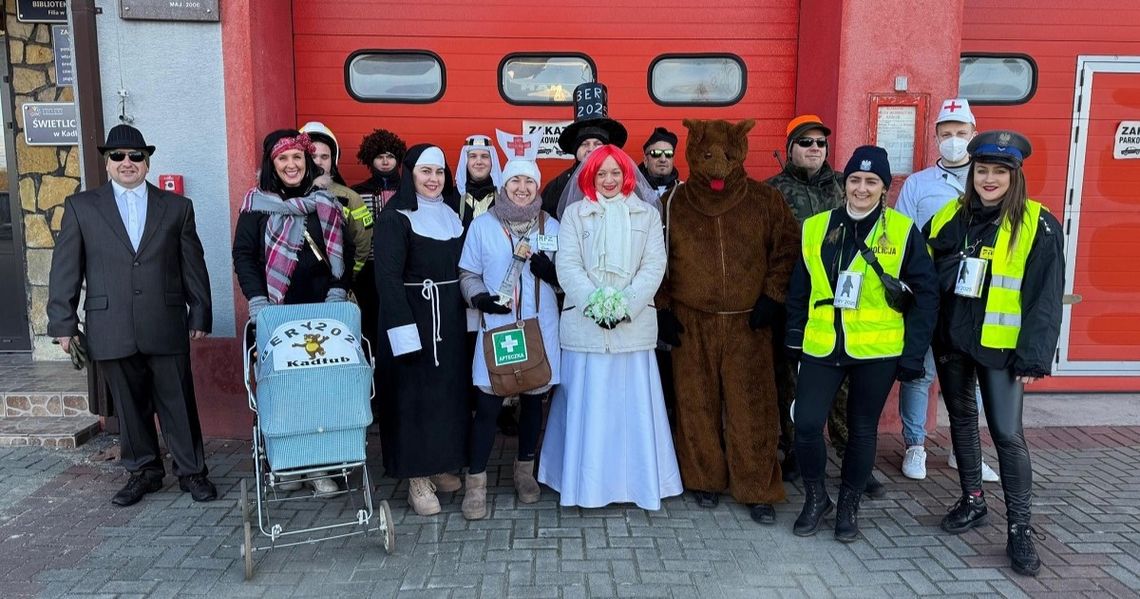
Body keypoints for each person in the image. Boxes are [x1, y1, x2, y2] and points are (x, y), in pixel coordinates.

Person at [47, 124, 216, 506]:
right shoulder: (82, 207)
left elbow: (193, 263)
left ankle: (192, 472)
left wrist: (200, 312)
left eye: (135, 156)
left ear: (147, 161)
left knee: (178, 402)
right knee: (128, 406)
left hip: (165, 321)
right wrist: (63, 324)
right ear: (107, 163)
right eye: (118, 156)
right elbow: (65, 269)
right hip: (111, 325)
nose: (127, 162)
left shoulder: (176, 208)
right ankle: (144, 472)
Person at [925, 130, 1063, 577]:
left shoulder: (1038, 223)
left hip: (1001, 346)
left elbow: (1045, 296)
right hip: (953, 339)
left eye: (998, 172)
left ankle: (1020, 528)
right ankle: (972, 500)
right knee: (961, 421)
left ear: (1014, 176)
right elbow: (924, 269)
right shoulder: (951, 214)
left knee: (1007, 434)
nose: (988, 179)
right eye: (982, 170)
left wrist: (1034, 356)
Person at [784, 146, 938, 542]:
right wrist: (794, 336)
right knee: (806, 424)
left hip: (877, 349)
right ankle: (817, 498)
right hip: (822, 344)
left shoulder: (902, 231)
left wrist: (913, 354)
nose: (861, 188)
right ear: (844, 183)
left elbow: (926, 294)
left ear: (884, 188)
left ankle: (849, 505)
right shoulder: (817, 226)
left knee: (861, 429)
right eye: (855, 179)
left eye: (871, 182)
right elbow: (800, 287)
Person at [658, 119, 800, 523]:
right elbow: (657, 258)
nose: (718, 164)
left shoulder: (765, 200)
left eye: (727, 155)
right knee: (695, 405)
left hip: (748, 322)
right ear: (692, 153)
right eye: (707, 155)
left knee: (752, 405)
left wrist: (773, 297)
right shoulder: (673, 203)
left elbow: (787, 249)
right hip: (692, 319)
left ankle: (757, 486)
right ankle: (704, 479)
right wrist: (665, 307)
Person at [538, 145, 682, 510]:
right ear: (590, 177)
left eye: (615, 172)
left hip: (631, 330)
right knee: (587, 407)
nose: (608, 180)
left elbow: (654, 266)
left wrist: (624, 306)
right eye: (600, 173)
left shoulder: (647, 215)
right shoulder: (574, 214)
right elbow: (567, 266)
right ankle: (585, 486)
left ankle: (636, 485)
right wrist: (596, 305)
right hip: (586, 329)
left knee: (632, 410)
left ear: (626, 174)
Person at [766, 115, 884, 499]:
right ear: (790, 149)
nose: (814, 149)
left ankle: (851, 459)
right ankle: (796, 453)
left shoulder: (845, 188)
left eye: (820, 143)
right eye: (805, 143)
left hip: (846, 312)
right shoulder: (771, 192)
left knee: (845, 390)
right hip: (792, 306)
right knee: (791, 385)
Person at [232, 129, 355, 495]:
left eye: (297, 159)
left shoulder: (325, 202)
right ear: (273, 164)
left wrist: (338, 289)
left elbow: (345, 252)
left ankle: (321, 466)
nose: (291, 165)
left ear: (307, 162)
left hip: (323, 311)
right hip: (275, 312)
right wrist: (257, 301)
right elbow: (244, 256)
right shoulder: (256, 204)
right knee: (283, 390)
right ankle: (286, 463)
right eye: (283, 159)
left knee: (320, 389)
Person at [894, 99, 998, 483]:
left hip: (973, 299)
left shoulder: (989, 178)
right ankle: (915, 446)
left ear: (974, 132)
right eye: (946, 133)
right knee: (919, 373)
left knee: (968, 375)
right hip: (928, 295)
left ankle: (963, 449)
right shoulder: (919, 184)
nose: (954, 140)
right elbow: (902, 236)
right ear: (936, 137)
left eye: (960, 132)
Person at [458, 157, 560, 519]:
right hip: (497, 328)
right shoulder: (483, 226)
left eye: (529, 182)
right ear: (504, 186)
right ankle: (476, 484)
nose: (522, 188)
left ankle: (525, 472)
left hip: (540, 327)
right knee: (487, 406)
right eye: (515, 181)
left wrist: (553, 272)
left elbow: (570, 275)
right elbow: (467, 272)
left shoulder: (552, 225)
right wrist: (479, 297)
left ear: (537, 186)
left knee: (534, 402)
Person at [373, 144, 471, 516]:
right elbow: (387, 278)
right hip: (413, 315)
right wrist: (404, 333)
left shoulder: (450, 214)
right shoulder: (395, 217)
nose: (434, 180)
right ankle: (417, 479)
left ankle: (442, 462)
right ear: (410, 174)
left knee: (447, 394)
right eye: (426, 172)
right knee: (414, 398)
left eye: (440, 173)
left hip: (448, 317)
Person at [351, 128, 407, 356]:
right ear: (369, 158)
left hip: (403, 269)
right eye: (379, 156)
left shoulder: (408, 191)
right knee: (370, 321)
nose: (385, 162)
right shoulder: (356, 193)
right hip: (368, 270)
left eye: (390, 156)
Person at [541, 82, 628, 218]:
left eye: (597, 144)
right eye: (584, 144)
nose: (591, 149)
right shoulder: (557, 186)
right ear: (575, 150)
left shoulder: (623, 180)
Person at [299, 121, 373, 277]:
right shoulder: (285, 196)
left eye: (324, 156)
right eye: (312, 156)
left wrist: (347, 277)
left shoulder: (350, 198)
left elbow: (363, 244)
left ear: (333, 160)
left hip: (336, 286)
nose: (318, 161)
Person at [454, 134, 503, 228]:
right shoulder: (454, 197)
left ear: (492, 161)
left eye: (484, 156)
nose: (479, 162)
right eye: (473, 156)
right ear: (465, 161)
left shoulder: (504, 198)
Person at [639, 127, 681, 199]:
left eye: (668, 153)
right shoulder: (634, 191)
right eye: (656, 153)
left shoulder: (683, 190)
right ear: (646, 160)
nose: (663, 159)